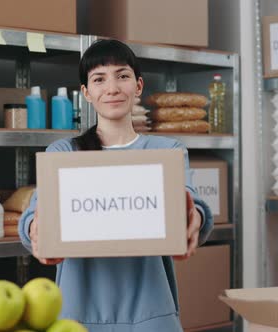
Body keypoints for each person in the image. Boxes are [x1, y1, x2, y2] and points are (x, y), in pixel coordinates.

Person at [19, 39, 214, 332]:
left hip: (152, 315)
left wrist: (193, 218)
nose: (112, 88)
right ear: (86, 92)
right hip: (77, 315)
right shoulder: (64, 153)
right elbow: (36, 214)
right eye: (99, 79)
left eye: (122, 76)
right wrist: (36, 229)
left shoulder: (166, 150)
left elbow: (189, 200)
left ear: (138, 85)